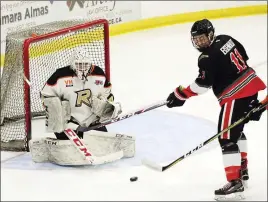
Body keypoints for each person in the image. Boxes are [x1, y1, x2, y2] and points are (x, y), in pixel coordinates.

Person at [165, 19, 267, 201]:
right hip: (251, 87)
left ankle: (235, 180)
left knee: (226, 137)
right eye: (196, 40)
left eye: (203, 39)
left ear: (211, 35)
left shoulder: (205, 58)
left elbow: (203, 85)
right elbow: (244, 58)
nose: (200, 43)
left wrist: (181, 94)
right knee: (237, 131)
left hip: (235, 96)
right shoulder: (227, 39)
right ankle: (242, 169)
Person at [28, 48, 135, 166]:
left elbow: (107, 93)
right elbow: (46, 95)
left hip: (91, 121)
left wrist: (104, 104)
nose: (82, 68)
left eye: (85, 65)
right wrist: (57, 111)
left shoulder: (98, 74)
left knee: (101, 145)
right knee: (69, 151)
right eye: (79, 65)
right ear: (73, 64)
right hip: (68, 123)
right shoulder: (60, 76)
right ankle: (51, 147)